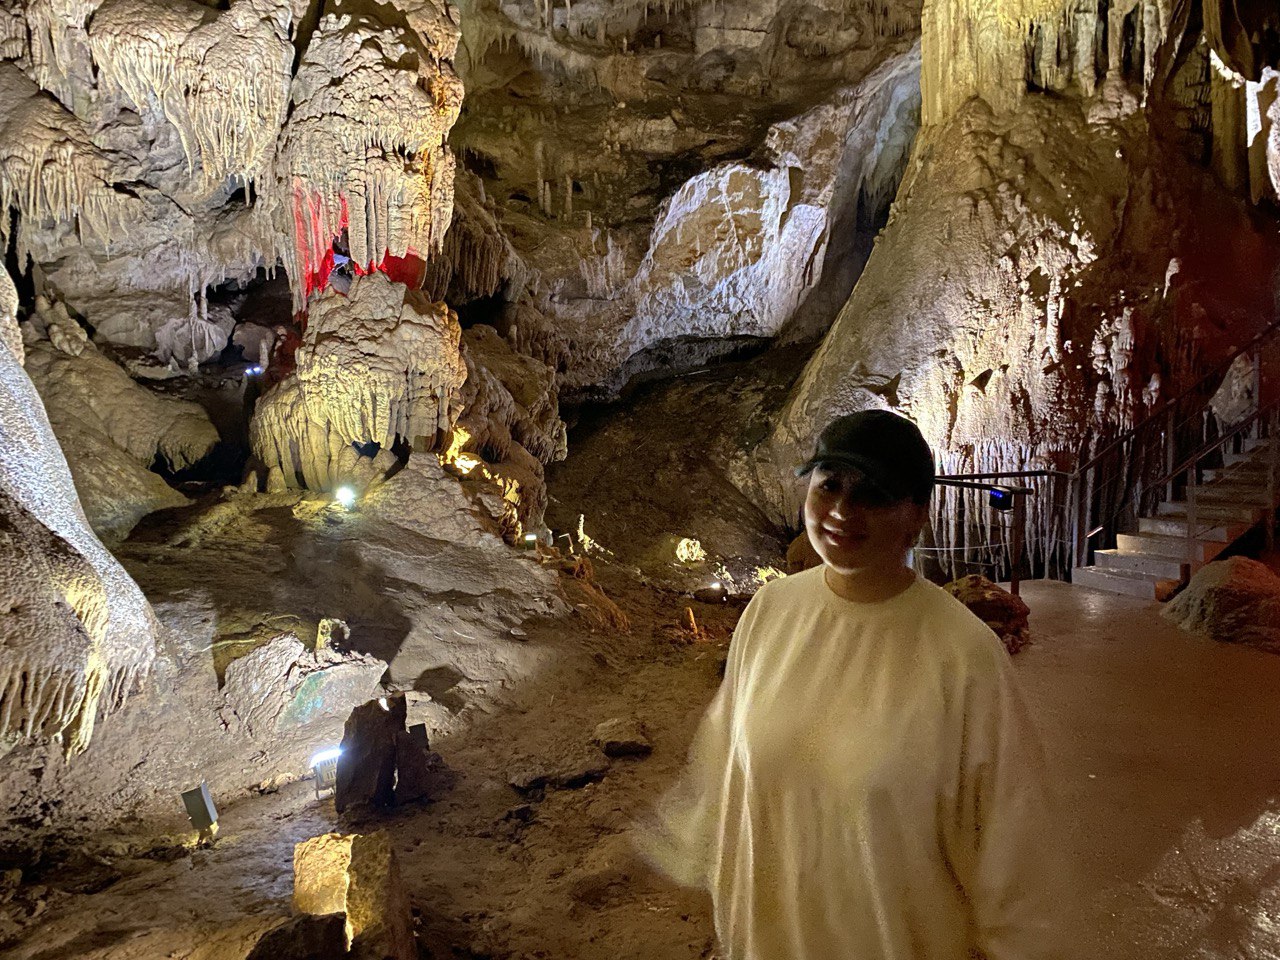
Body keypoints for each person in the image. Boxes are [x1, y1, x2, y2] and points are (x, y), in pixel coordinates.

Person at [639, 409, 1068, 960]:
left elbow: (1013, 842)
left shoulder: (964, 656)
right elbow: (725, 764)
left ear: (916, 516)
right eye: (830, 486)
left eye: (873, 495)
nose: (843, 511)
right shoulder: (771, 612)